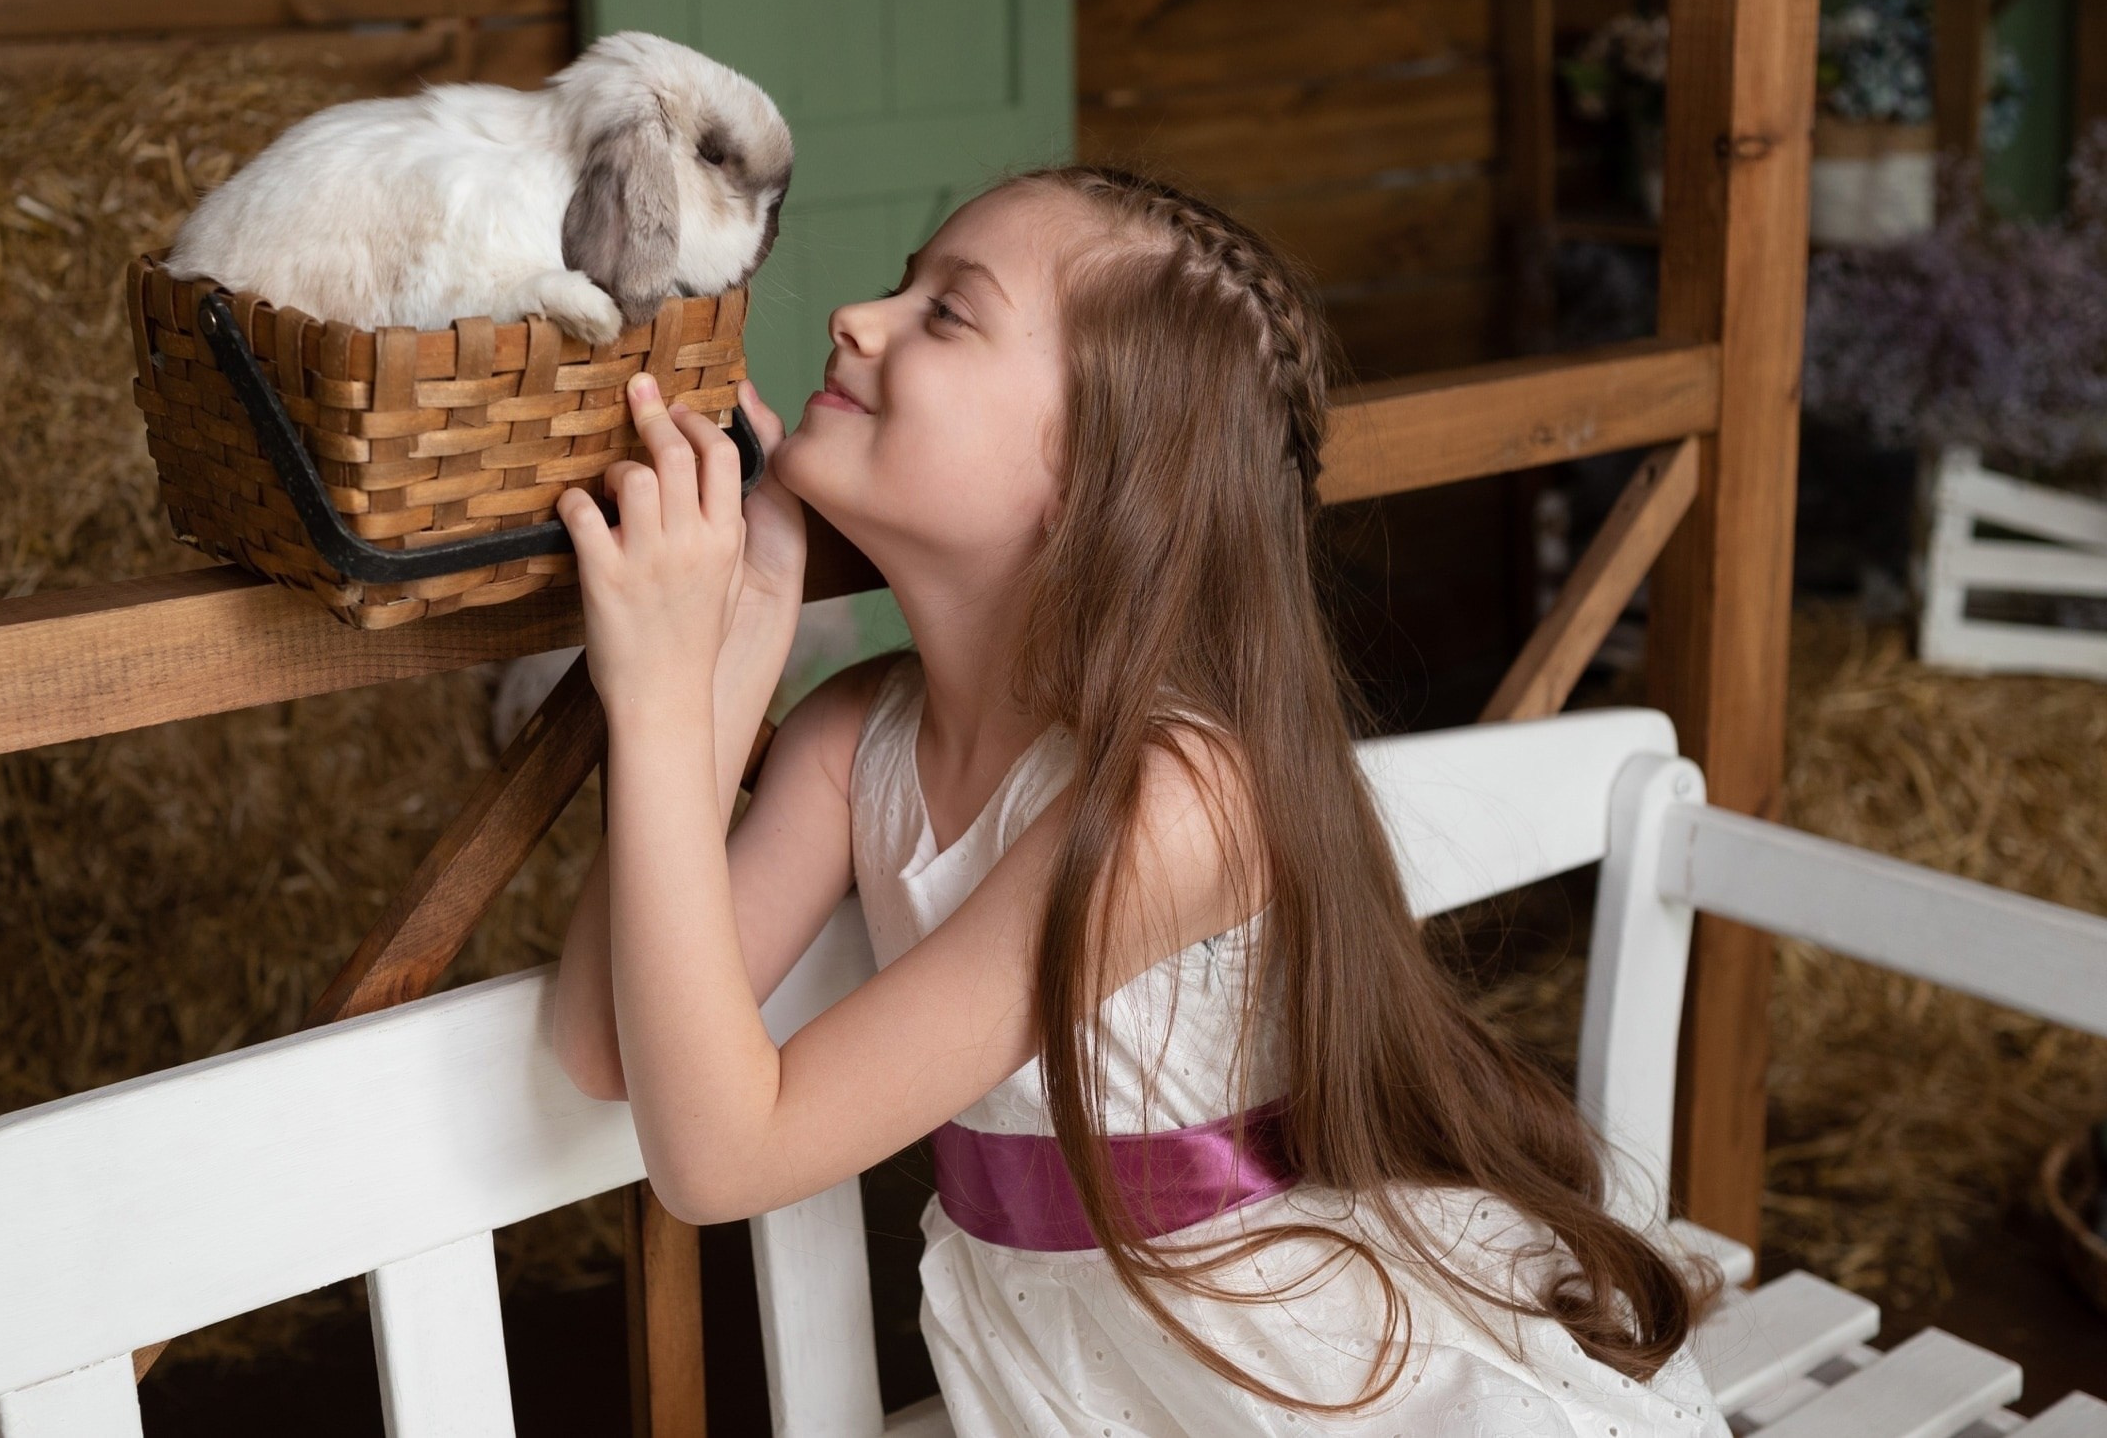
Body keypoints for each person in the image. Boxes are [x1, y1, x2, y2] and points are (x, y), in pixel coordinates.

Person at [548, 167, 1724, 1437]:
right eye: (902, 284)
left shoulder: (1177, 798)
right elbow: (602, 1048)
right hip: (1057, 1352)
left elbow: (722, 1160)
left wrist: (659, 701)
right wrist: (738, 643)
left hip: (1270, 1362)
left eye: (947, 314)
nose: (854, 315)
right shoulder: (855, 738)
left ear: (1100, 466)